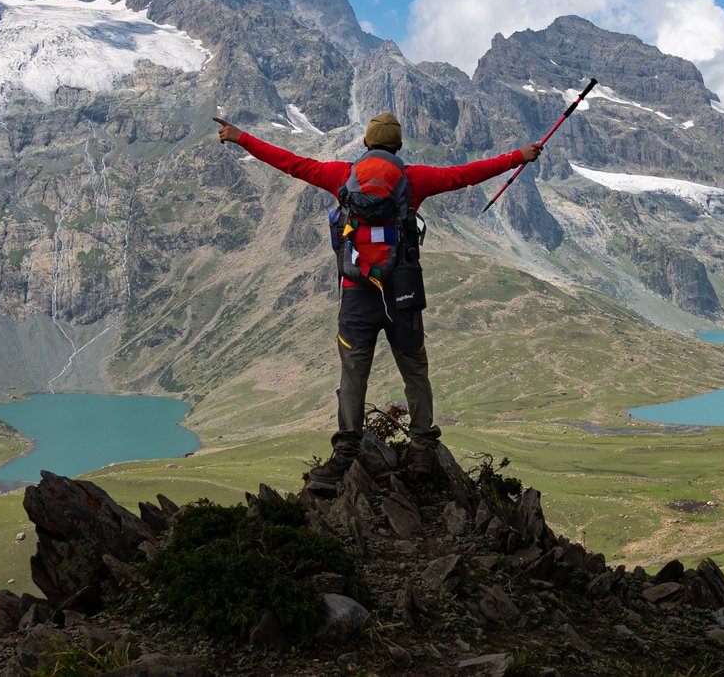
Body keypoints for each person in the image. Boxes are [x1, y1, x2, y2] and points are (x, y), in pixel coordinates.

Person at [215, 111, 542, 491]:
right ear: (398, 146)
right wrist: (518, 156)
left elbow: (292, 164)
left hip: (357, 296)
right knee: (414, 370)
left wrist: (242, 138)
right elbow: (465, 174)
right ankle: (422, 451)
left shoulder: (341, 176)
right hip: (402, 293)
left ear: (367, 144)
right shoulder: (413, 178)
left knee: (353, 373)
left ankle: (345, 456)